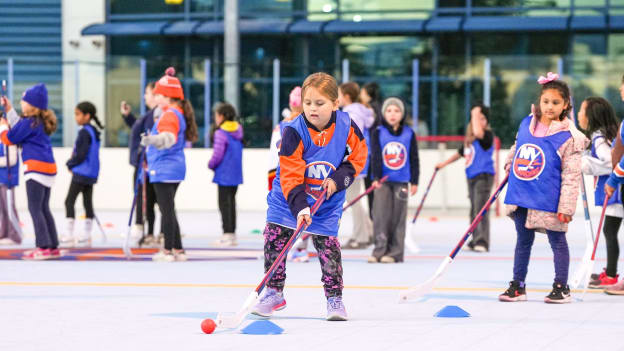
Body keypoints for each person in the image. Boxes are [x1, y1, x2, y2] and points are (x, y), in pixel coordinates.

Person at [252, 72, 367, 321]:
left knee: (328, 248)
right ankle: (273, 292)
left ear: (335, 104)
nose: (312, 109)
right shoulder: (293, 130)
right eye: (308, 103)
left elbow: (358, 157)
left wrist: (338, 180)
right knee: (274, 239)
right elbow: (291, 174)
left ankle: (335, 299)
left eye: (320, 103)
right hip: (288, 199)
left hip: (326, 201)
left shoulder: (347, 125)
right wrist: (300, 206)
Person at [499, 72, 588, 303]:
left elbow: (571, 176)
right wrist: (510, 164)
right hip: (523, 194)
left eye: (555, 102)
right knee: (522, 241)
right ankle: (518, 285)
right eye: (546, 101)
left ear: (566, 104)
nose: (549, 107)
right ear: (539, 101)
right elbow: (518, 147)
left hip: (550, 198)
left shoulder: (569, 137)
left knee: (557, 241)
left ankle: (561, 287)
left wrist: (566, 207)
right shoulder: (528, 123)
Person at [141, 67, 198, 262]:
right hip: (172, 167)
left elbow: (169, 138)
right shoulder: (176, 112)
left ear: (167, 96)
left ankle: (167, 251)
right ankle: (178, 249)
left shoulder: (169, 115)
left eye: (158, 94)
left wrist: (150, 140)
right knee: (169, 208)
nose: (155, 98)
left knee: (166, 210)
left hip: (164, 168)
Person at [0, 83, 59, 259]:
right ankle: (52, 245)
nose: (21, 102)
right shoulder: (36, 122)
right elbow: (18, 125)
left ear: (32, 105)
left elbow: (10, 138)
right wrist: (9, 109)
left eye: (23, 101)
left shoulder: (28, 123)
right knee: (44, 208)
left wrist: (3, 126)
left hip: (35, 169)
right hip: (48, 169)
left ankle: (42, 247)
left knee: (35, 209)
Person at [436, 102, 495, 252]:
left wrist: (475, 113)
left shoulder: (487, 135)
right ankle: (475, 239)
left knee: (480, 209)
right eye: (477, 118)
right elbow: (459, 154)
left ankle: (482, 241)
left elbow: (479, 131)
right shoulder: (470, 140)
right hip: (472, 177)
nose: (479, 121)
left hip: (484, 176)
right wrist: (443, 164)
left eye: (483, 119)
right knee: (473, 209)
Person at [368, 97, 419, 263]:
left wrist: (415, 181)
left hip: (401, 181)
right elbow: (375, 156)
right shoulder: (378, 132)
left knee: (398, 217)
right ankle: (379, 250)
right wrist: (375, 177)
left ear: (402, 114)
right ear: (384, 113)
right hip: (382, 181)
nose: (392, 114)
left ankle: (395, 252)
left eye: (396, 111)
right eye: (389, 110)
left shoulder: (409, 133)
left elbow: (414, 158)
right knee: (381, 216)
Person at [578, 97, 622, 289]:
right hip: (615, 190)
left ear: (591, 115)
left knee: (609, 231)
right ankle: (610, 272)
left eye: (582, 110)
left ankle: (611, 275)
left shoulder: (598, 136)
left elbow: (608, 161)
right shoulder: (606, 133)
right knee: (610, 231)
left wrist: (585, 164)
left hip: (615, 191)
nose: (579, 114)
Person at [121, 83, 160, 246]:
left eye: (147, 93)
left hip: (146, 164)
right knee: (148, 198)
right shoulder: (149, 115)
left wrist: (146, 161)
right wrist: (128, 117)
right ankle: (148, 231)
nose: (145, 96)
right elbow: (139, 128)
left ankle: (146, 229)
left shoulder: (156, 116)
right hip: (141, 162)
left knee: (149, 198)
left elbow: (152, 137)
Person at [61, 102, 103, 247]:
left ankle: (69, 234)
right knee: (87, 202)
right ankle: (87, 234)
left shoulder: (84, 132)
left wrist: (70, 164)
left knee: (69, 201)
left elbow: (81, 153)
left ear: (87, 116)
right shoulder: (93, 131)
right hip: (91, 173)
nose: (76, 117)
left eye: (78, 114)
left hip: (81, 172)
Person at [338, 81, 375, 249]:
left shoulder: (351, 113)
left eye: (339, 94)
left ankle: (361, 237)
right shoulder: (359, 111)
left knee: (353, 199)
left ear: (346, 96)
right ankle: (367, 231)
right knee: (355, 198)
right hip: (359, 160)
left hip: (353, 161)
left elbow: (353, 138)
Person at [208, 102, 244, 247]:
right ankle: (232, 234)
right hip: (235, 174)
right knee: (232, 204)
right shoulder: (238, 130)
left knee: (223, 204)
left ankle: (226, 234)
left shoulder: (220, 133)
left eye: (216, 115)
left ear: (221, 116)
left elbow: (217, 154)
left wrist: (211, 164)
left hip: (223, 174)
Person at [359, 82, 383, 218]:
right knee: (376, 191)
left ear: (367, 94)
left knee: (371, 191)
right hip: (377, 153)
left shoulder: (368, 110)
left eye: (362, 93)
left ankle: (375, 223)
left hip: (371, 154)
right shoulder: (380, 108)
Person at [0, 141, 20, 245]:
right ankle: (4, 234)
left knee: (9, 207)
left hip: (8, 179)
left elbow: (12, 159)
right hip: (1, 178)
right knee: (2, 209)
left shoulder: (9, 138)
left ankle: (15, 235)